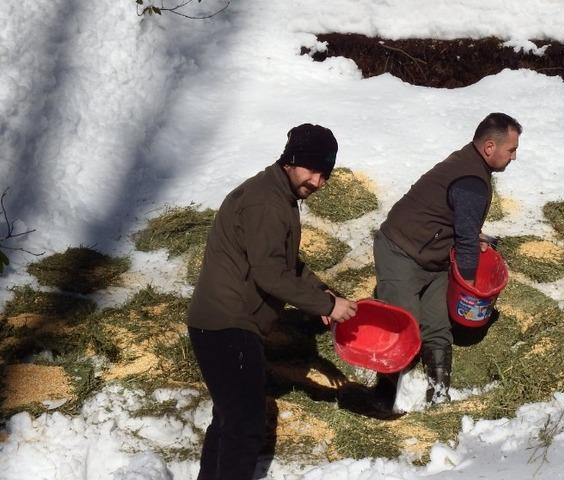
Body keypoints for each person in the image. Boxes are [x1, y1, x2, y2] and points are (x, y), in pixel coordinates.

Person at [186, 123, 358, 480]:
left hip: (228, 321)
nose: (319, 182)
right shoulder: (267, 202)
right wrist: (327, 307)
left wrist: (323, 292)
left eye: (325, 174)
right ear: (292, 161)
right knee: (246, 426)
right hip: (227, 324)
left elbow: (287, 264)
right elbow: (271, 275)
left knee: (231, 419)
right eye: (313, 170)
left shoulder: (278, 196)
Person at [373, 112, 521, 407]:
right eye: (511, 150)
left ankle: (439, 392)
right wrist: (467, 282)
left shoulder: (470, 164)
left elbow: (458, 221)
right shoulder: (471, 180)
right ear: (490, 147)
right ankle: (383, 395)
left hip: (433, 253)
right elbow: (465, 236)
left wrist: (473, 239)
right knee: (405, 323)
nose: (514, 157)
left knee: (437, 325)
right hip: (402, 249)